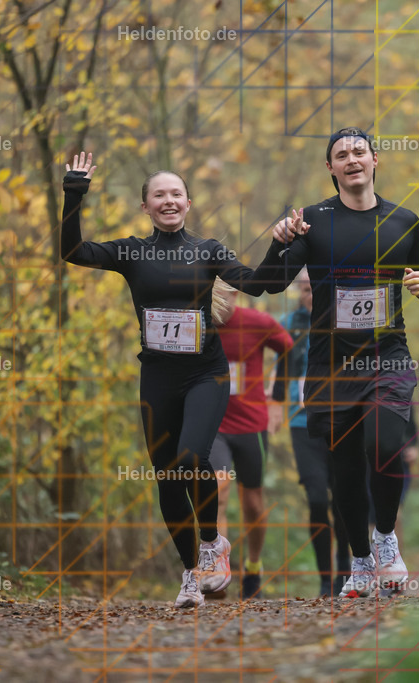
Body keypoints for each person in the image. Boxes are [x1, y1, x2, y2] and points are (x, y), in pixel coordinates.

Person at [60, 151, 272, 609]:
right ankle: (190, 575)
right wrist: (74, 193)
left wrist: (284, 243)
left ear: (189, 202)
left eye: (177, 193)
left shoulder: (209, 250)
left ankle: (213, 542)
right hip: (157, 375)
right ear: (146, 206)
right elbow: (72, 251)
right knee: (167, 476)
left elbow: (256, 283)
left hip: (205, 373)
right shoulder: (131, 252)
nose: (169, 200)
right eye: (160, 194)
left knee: (191, 456)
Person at [261, 127, 419, 597]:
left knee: (383, 446)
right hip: (330, 365)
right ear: (331, 168)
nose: (352, 159)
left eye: (360, 151)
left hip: (387, 359)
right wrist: (279, 241)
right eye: (342, 154)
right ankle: (359, 561)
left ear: (376, 159)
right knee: (343, 471)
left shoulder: (405, 221)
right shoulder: (313, 222)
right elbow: (270, 283)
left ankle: (385, 539)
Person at [209, 280, 293, 599]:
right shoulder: (199, 324)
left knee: (252, 502)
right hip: (213, 424)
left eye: (222, 296)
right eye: (210, 295)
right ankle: (216, 568)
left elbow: (287, 349)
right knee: (217, 488)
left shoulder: (258, 323)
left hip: (250, 425)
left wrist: (278, 401)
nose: (217, 303)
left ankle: (253, 567)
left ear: (235, 295)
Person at [272, 269, 352, 597]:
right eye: (304, 290)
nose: (309, 296)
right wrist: (276, 404)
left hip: (341, 421)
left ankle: (346, 570)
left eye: (314, 290)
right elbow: (283, 367)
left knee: (343, 499)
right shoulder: (288, 324)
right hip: (301, 422)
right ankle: (325, 578)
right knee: (317, 498)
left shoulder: (343, 320)